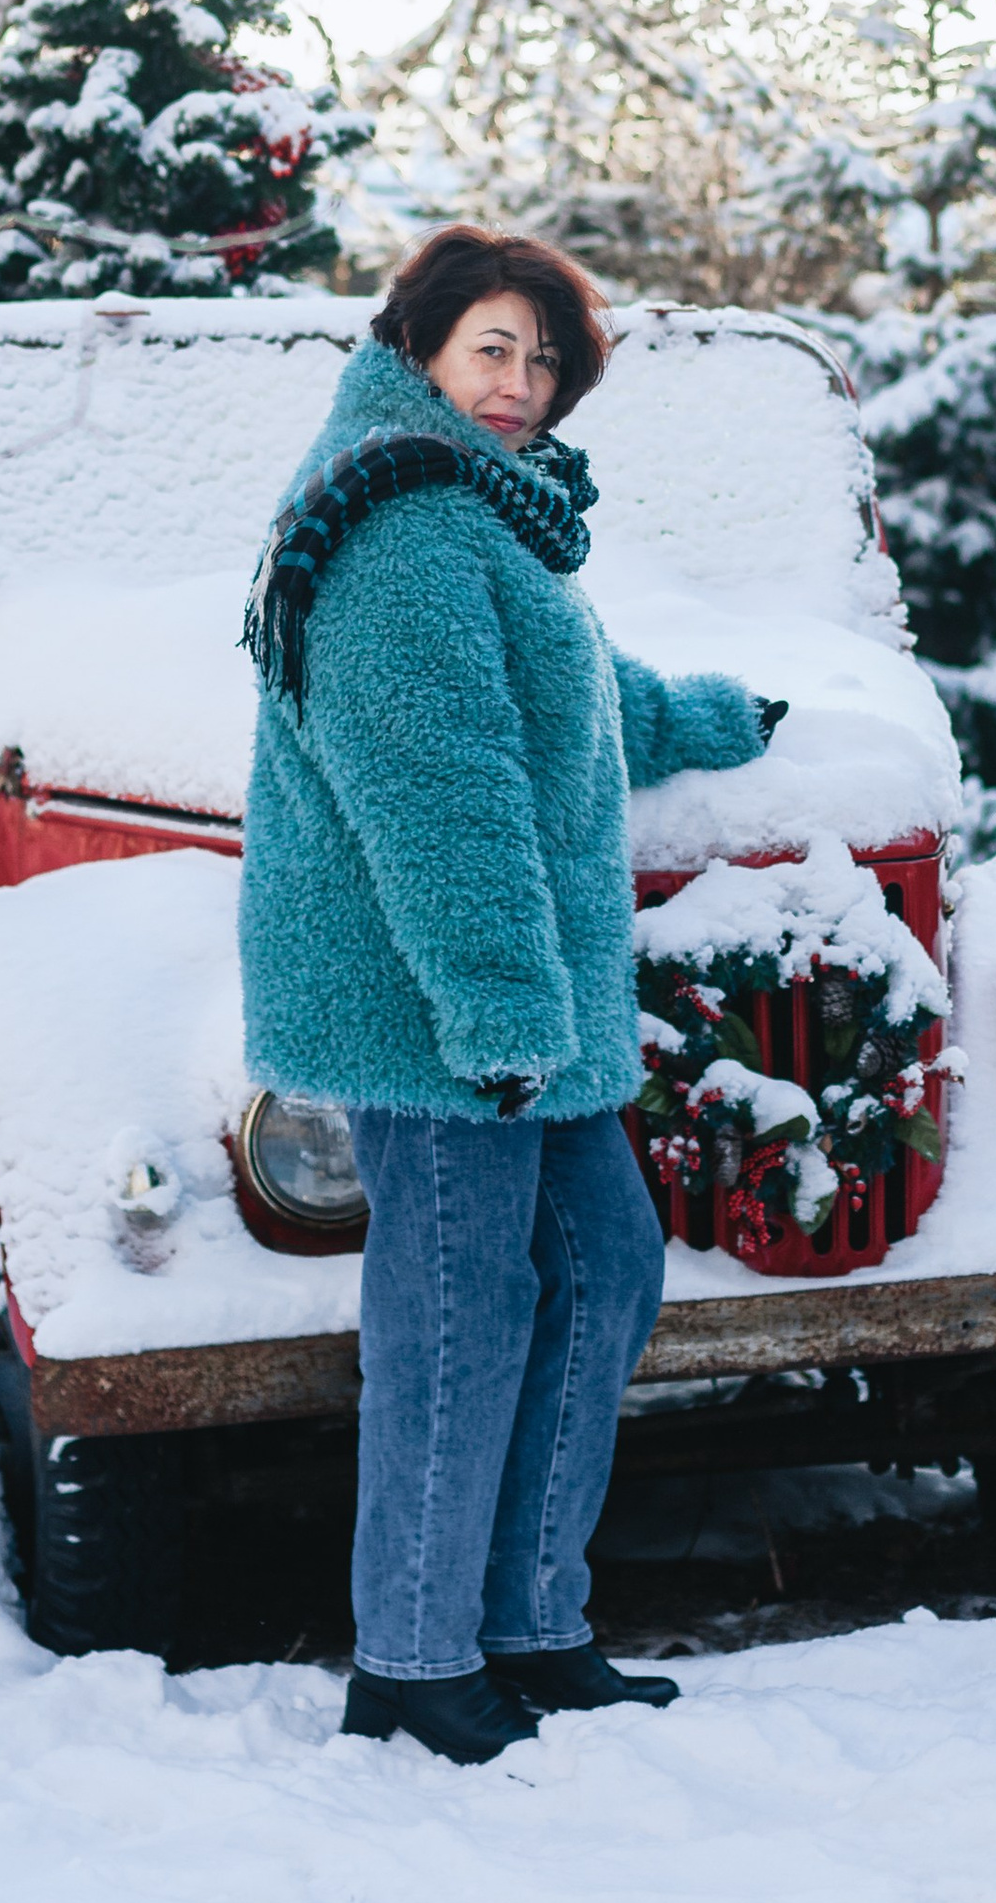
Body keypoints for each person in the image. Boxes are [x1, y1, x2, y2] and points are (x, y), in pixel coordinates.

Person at [240, 225, 780, 1765]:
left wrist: (716, 720)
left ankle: (533, 1621)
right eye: (492, 347)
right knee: (459, 1320)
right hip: (438, 1017)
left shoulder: (482, 509)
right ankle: (415, 1660)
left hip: (523, 1016)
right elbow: (443, 793)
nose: (521, 383)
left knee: (604, 1269)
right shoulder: (398, 522)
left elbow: (576, 705)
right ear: (417, 345)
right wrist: (497, 1019)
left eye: (542, 360)